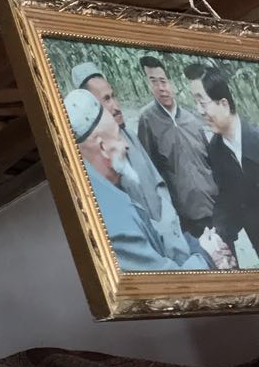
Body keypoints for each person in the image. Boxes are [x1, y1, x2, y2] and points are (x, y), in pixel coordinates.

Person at [65, 89, 230, 271]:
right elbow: (161, 281)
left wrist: (196, 246)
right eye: (118, 137)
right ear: (103, 147)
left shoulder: (104, 192)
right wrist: (206, 257)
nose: (126, 145)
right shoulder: (112, 220)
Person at [71, 61, 192, 264]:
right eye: (106, 100)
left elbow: (158, 183)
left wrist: (171, 229)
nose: (115, 107)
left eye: (113, 96)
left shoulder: (130, 137)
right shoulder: (98, 167)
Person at [135, 54, 216, 237]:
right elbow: (149, 173)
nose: (161, 88)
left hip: (213, 208)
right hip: (185, 218)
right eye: (153, 82)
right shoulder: (147, 120)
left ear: (172, 83)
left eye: (163, 81)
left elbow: (210, 162)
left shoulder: (191, 119)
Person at [187, 64, 259, 257]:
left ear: (224, 104)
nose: (199, 110)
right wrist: (218, 236)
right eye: (195, 103)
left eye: (202, 102)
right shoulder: (216, 150)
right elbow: (227, 199)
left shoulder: (256, 138)